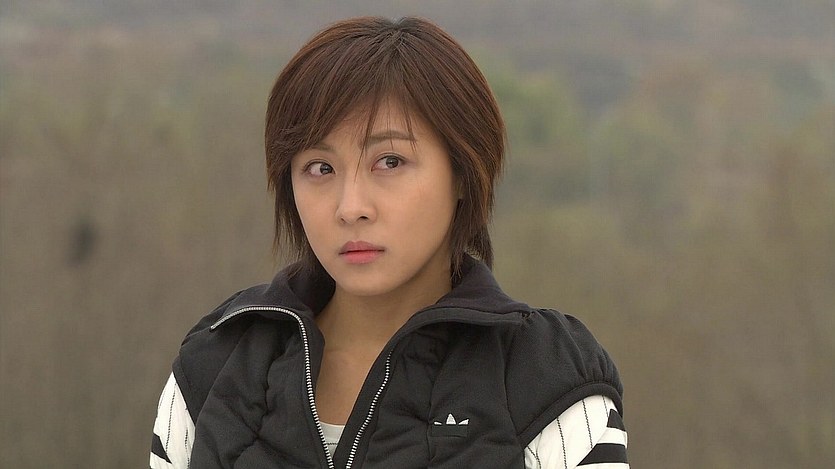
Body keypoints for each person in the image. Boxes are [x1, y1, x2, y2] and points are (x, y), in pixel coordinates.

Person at [150, 16, 627, 469]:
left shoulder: (548, 379)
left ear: (463, 172)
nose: (351, 207)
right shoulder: (214, 365)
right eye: (320, 168)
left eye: (390, 161)